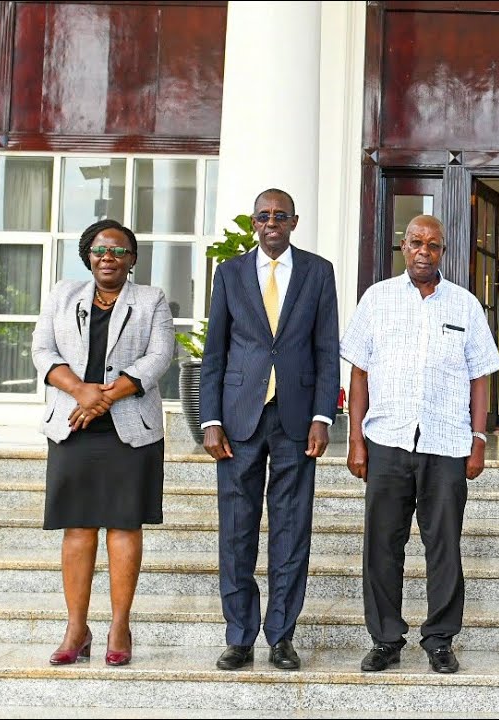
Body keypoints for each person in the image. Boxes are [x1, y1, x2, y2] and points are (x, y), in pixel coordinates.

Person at [342, 215, 499, 674]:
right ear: (403, 246)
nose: (423, 251)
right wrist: (355, 439)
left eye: (433, 245)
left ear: (442, 252)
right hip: (387, 439)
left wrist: (478, 440)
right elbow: (359, 372)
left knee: (444, 546)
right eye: (416, 242)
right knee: (382, 545)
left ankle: (440, 640)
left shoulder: (465, 305)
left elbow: (479, 377)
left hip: (447, 443)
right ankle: (385, 639)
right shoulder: (377, 299)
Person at [199, 189, 340, 671]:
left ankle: (281, 636)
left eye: (281, 216)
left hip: (296, 419)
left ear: (294, 222)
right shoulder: (230, 273)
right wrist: (211, 419)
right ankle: (239, 637)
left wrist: (323, 416)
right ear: (254, 222)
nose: (272, 223)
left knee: (291, 529)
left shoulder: (319, 272)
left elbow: (327, 349)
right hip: (239, 419)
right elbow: (215, 350)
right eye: (264, 216)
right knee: (236, 531)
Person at [31, 219, 175, 667]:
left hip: (129, 429)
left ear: (132, 259)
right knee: (77, 527)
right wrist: (81, 391)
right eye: (99, 250)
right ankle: (76, 628)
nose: (108, 257)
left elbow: (159, 356)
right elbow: (42, 351)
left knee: (124, 526)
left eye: (118, 250)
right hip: (73, 424)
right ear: (87, 256)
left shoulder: (151, 299)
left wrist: (104, 398)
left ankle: (118, 626)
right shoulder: (62, 295)